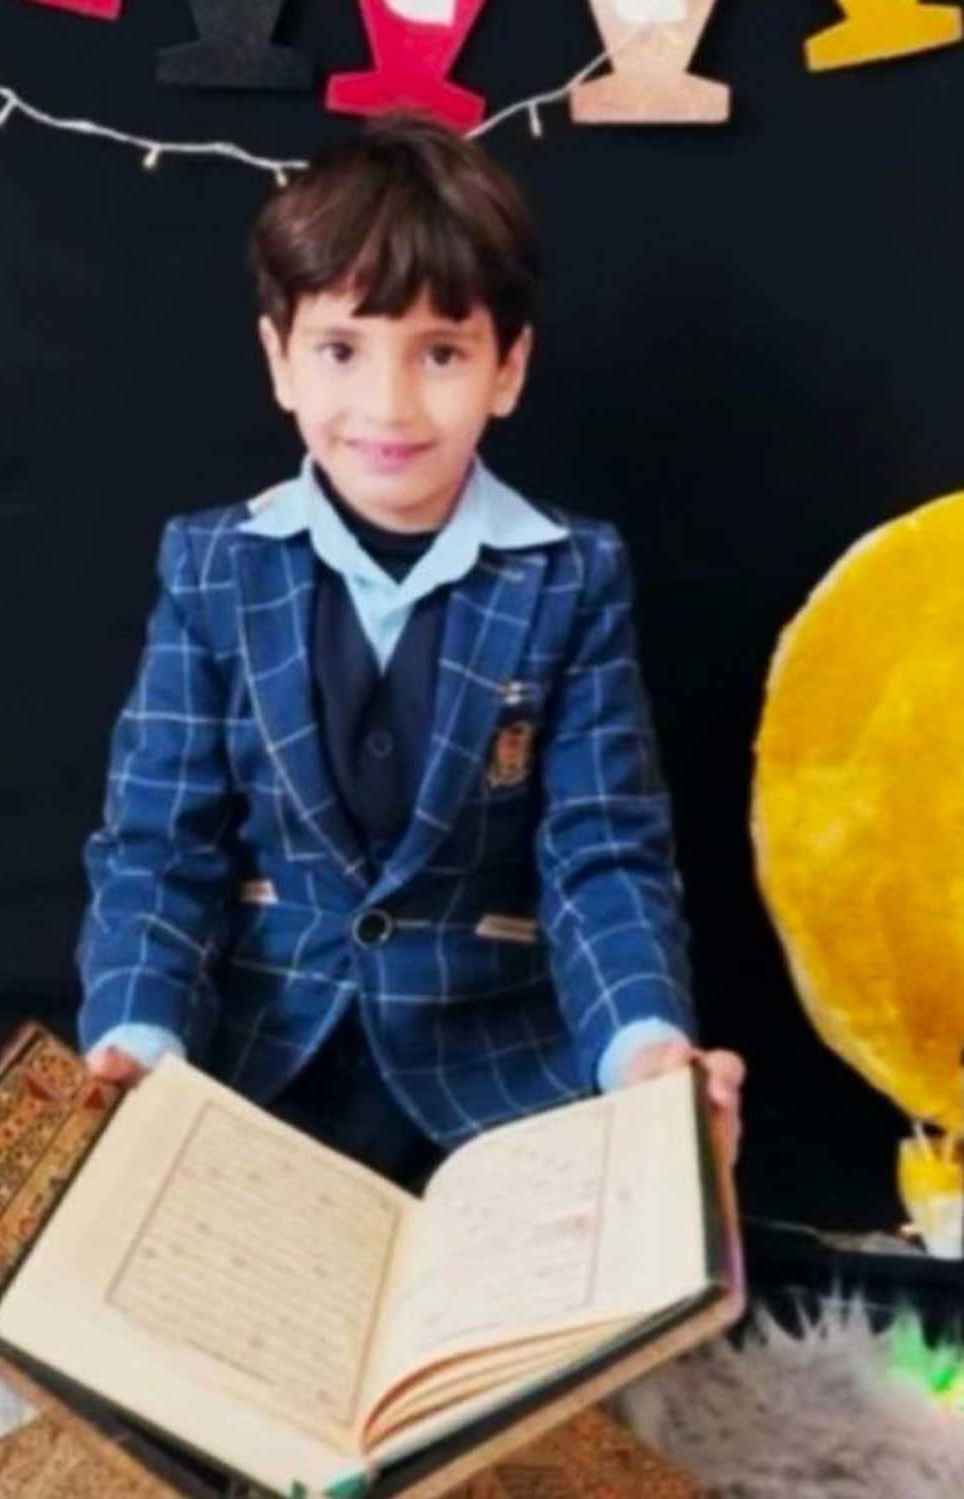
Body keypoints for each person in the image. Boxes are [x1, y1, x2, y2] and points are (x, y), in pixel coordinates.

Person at [78, 111, 744, 1184]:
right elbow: (159, 849)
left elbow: (603, 853)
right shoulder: (211, 567)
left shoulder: (572, 574)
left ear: (508, 367)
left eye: (440, 353)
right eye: (341, 350)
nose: (387, 407)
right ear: (280, 360)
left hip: (501, 1077)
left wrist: (646, 1052)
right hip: (258, 1071)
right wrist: (138, 1037)